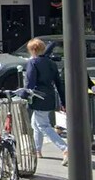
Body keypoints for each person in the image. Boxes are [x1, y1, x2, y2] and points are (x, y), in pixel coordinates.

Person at [24, 38, 68, 166]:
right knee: (35, 124)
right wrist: (63, 101)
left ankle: (65, 149)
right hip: (50, 96)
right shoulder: (51, 63)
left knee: (43, 126)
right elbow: (59, 84)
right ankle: (37, 150)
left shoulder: (33, 63)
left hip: (38, 97)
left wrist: (24, 94)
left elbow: (30, 82)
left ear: (32, 50)